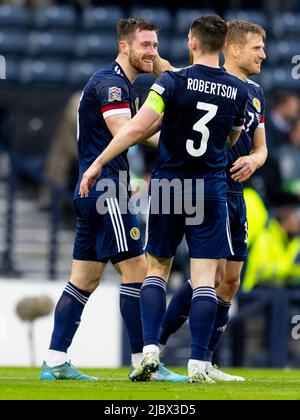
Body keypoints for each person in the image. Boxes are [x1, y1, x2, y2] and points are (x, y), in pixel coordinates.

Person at [80, 14, 248, 383]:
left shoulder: (172, 82)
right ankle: (198, 365)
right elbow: (232, 140)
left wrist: (98, 163)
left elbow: (137, 127)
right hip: (210, 189)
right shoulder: (239, 91)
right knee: (204, 280)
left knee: (157, 270)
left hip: (172, 187)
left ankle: (151, 350)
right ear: (222, 46)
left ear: (191, 42)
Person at [40, 17, 185, 382]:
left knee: (84, 280)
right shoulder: (112, 85)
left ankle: (55, 360)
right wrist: (175, 135)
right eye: (145, 45)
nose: (152, 52)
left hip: (94, 190)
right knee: (138, 270)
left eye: (155, 45)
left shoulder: (118, 84)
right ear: (124, 46)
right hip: (107, 190)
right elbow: (126, 132)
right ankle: (144, 362)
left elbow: (128, 130)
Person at [152, 19, 268, 381]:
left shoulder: (256, 93)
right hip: (210, 187)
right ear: (233, 49)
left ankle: (205, 360)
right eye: (257, 48)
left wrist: (253, 159)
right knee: (209, 275)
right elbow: (170, 73)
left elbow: (262, 148)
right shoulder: (204, 82)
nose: (263, 54)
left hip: (238, 195)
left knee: (230, 280)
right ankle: (162, 345)